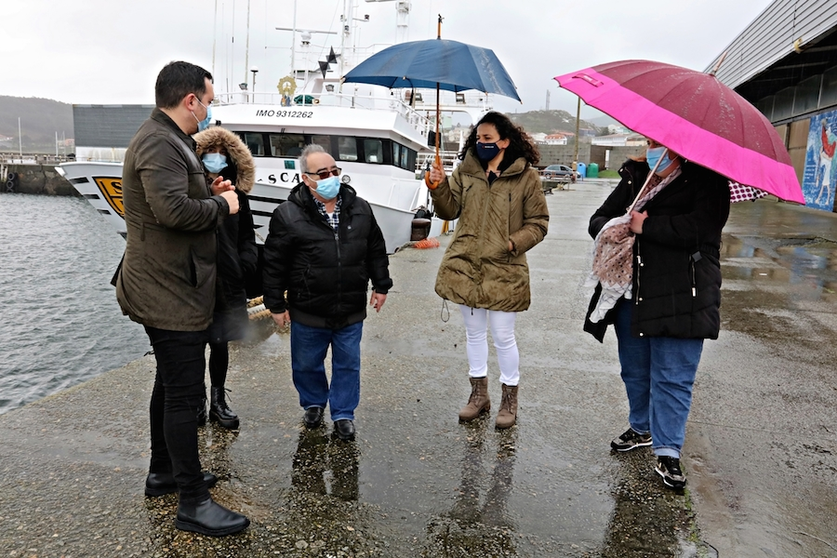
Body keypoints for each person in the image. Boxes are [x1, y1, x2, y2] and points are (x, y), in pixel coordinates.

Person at [115, 61, 250, 536]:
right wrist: (223, 204)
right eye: (208, 102)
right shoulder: (158, 141)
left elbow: (172, 197)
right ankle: (192, 500)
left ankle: (163, 472)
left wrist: (207, 188)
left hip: (172, 282)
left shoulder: (169, 140)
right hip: (167, 289)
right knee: (183, 393)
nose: (208, 112)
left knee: (169, 383)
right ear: (189, 99)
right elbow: (172, 212)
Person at [584, 138, 730, 490]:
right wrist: (619, 224)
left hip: (683, 293)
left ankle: (668, 451)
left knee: (673, 376)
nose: (654, 147)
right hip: (630, 293)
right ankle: (641, 427)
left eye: (662, 143)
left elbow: (702, 230)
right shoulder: (635, 176)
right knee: (634, 370)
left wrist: (646, 228)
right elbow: (597, 220)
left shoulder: (709, 180)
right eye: (651, 141)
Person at [262, 143, 392, 441]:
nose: (331, 177)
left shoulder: (360, 208)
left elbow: (375, 250)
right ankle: (313, 402)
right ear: (306, 178)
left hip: (350, 306)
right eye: (323, 173)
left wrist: (381, 285)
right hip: (308, 308)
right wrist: (275, 304)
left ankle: (344, 413)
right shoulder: (287, 214)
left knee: (348, 363)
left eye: (335, 171)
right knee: (306, 363)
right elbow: (273, 262)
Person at [427, 111, 549, 429]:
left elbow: (539, 223)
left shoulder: (527, 178)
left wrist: (512, 243)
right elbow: (449, 210)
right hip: (466, 266)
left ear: (505, 142)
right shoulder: (465, 172)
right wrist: (437, 187)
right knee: (473, 335)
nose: (481, 143)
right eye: (478, 138)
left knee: (503, 336)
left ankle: (509, 399)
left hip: (504, 269)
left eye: (488, 138)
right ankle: (478, 395)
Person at [194, 126, 259, 430]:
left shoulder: (239, 196)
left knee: (220, 342)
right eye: (210, 155)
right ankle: (196, 400)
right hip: (195, 280)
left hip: (228, 277)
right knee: (192, 343)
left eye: (221, 155)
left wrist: (246, 263)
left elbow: (247, 235)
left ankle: (218, 399)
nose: (216, 160)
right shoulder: (191, 193)